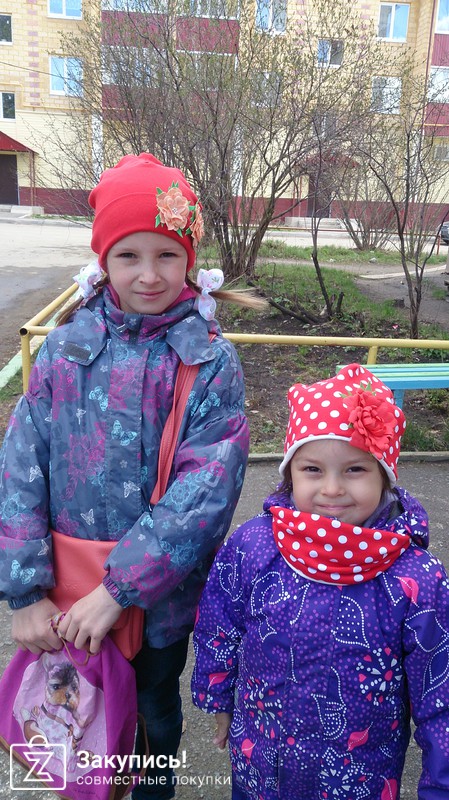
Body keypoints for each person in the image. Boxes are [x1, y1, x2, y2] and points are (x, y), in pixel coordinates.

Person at [0, 152, 265, 800]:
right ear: (103, 259)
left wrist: (121, 589)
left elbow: (205, 491)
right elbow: (20, 465)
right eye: (128, 256)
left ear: (189, 259)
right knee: (72, 713)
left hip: (155, 605)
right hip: (62, 597)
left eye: (167, 255)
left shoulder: (208, 362)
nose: (149, 274)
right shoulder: (65, 348)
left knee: (150, 723)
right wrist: (25, 590)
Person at [191, 363, 449, 800]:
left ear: (385, 476)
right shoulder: (255, 546)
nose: (331, 489)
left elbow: (439, 694)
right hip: (261, 767)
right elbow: (220, 622)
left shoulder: (416, 579)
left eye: (355, 469)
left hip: (359, 780)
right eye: (312, 469)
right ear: (289, 472)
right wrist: (217, 698)